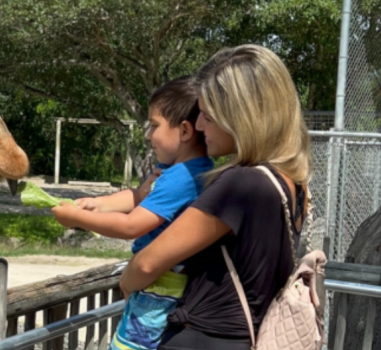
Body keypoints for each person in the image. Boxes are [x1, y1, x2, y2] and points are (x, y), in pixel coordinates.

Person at [119, 44, 312, 350]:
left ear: (241, 117)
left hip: (202, 338)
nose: (198, 126)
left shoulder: (240, 184)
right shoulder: (292, 184)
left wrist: (126, 284)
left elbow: (146, 265)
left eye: (208, 116)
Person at [51, 75, 213, 350]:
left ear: (184, 131)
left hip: (160, 285)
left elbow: (132, 226)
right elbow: (139, 197)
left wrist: (77, 219)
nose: (148, 135)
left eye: (154, 126)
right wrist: (97, 203)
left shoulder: (181, 177)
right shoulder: (184, 170)